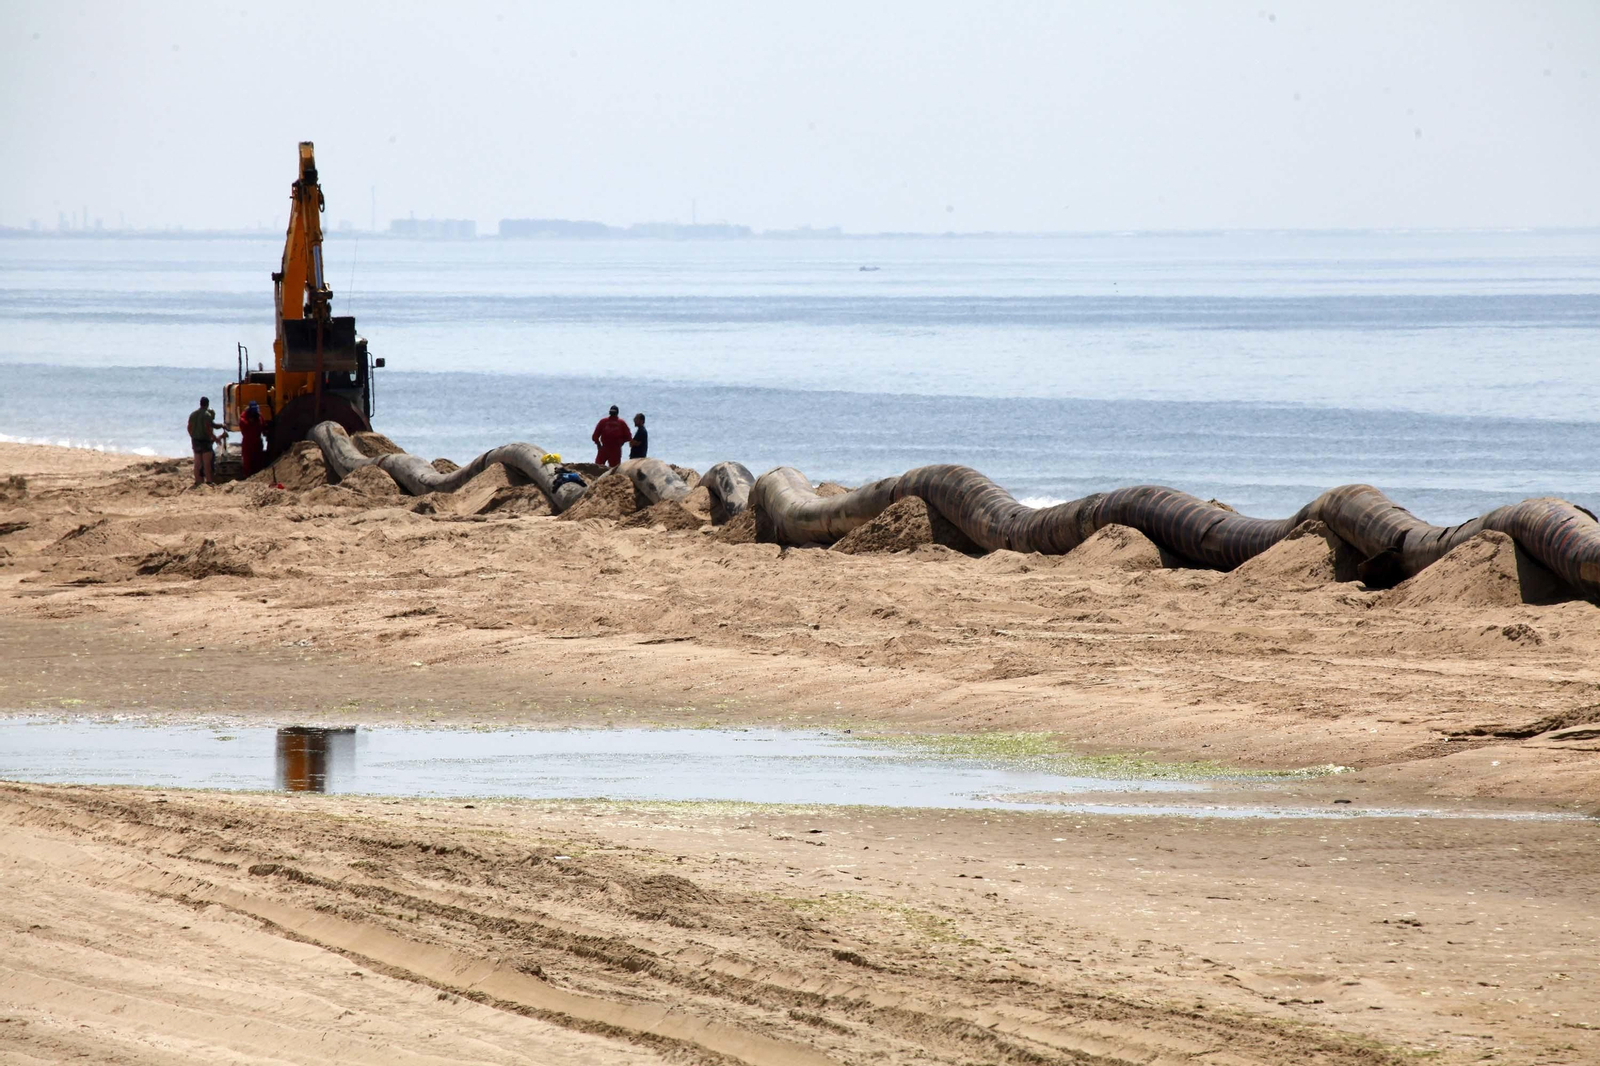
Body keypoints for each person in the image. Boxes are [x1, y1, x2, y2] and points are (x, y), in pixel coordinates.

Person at [186, 396, 225, 486]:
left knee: (197, 463)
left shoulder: (193, 414)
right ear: (207, 404)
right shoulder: (207, 415)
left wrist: (192, 436)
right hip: (205, 441)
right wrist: (215, 438)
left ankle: (198, 481)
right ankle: (209, 481)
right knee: (207, 463)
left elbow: (189, 427)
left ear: (200, 403)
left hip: (195, 440)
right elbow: (209, 428)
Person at [591, 404, 633, 469]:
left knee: (598, 468)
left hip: (609, 448)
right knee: (613, 469)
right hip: (613, 449)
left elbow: (595, 436)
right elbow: (629, 437)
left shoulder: (604, 421)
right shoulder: (621, 422)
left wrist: (598, 444)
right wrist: (621, 442)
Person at [239, 400, 267, 478]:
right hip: (248, 443)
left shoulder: (259, 416)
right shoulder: (243, 418)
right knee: (247, 462)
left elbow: (263, 426)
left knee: (258, 460)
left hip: (257, 442)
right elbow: (244, 426)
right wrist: (251, 422)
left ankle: (258, 476)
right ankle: (247, 476)